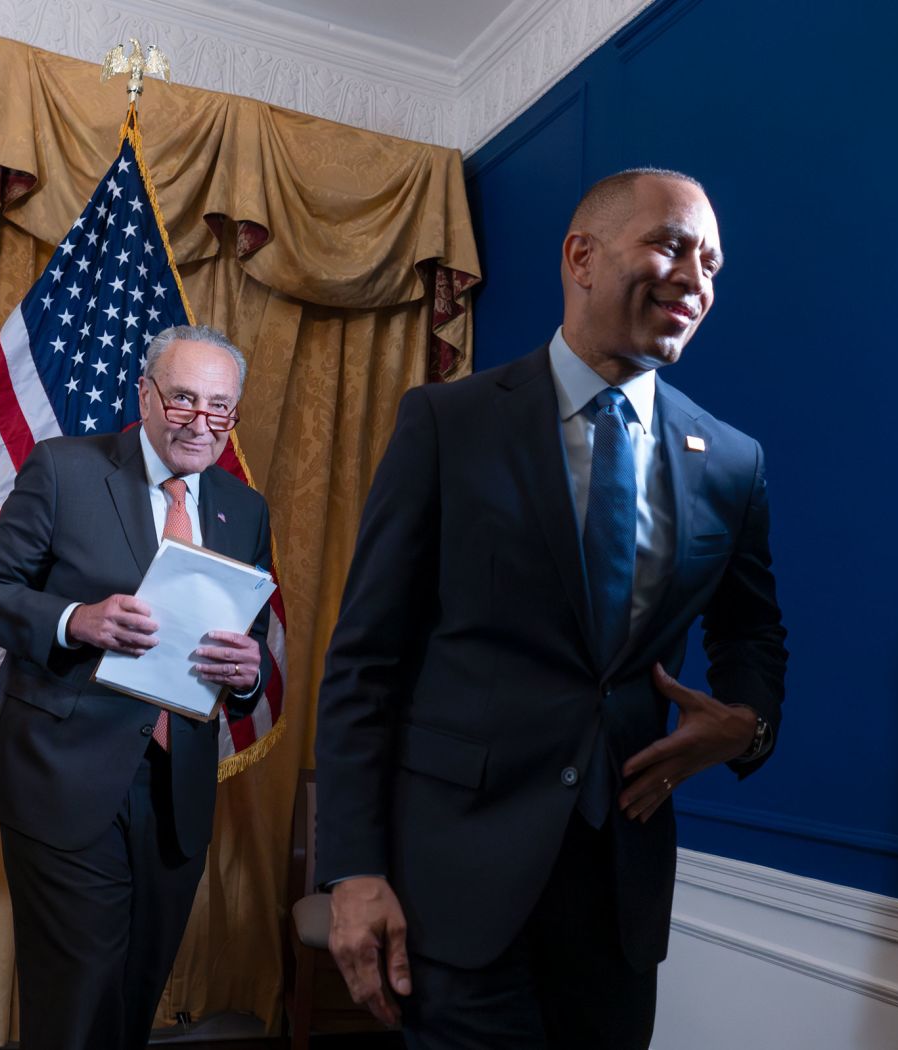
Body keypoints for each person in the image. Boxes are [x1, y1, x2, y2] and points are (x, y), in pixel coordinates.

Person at [313, 168, 789, 1048]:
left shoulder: (731, 462)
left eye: (714, 265)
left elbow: (753, 633)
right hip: (456, 895)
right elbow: (365, 666)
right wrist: (351, 870)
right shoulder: (445, 425)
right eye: (673, 247)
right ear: (581, 256)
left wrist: (747, 724)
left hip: (619, 902)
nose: (697, 281)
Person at [0, 324, 274, 1050]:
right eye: (185, 399)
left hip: (175, 790)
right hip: (63, 774)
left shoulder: (243, 509)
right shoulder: (65, 469)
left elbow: (244, 641)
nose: (201, 422)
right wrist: (77, 619)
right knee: (77, 1002)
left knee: (134, 999)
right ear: (146, 393)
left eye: (220, 408)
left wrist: (251, 671)